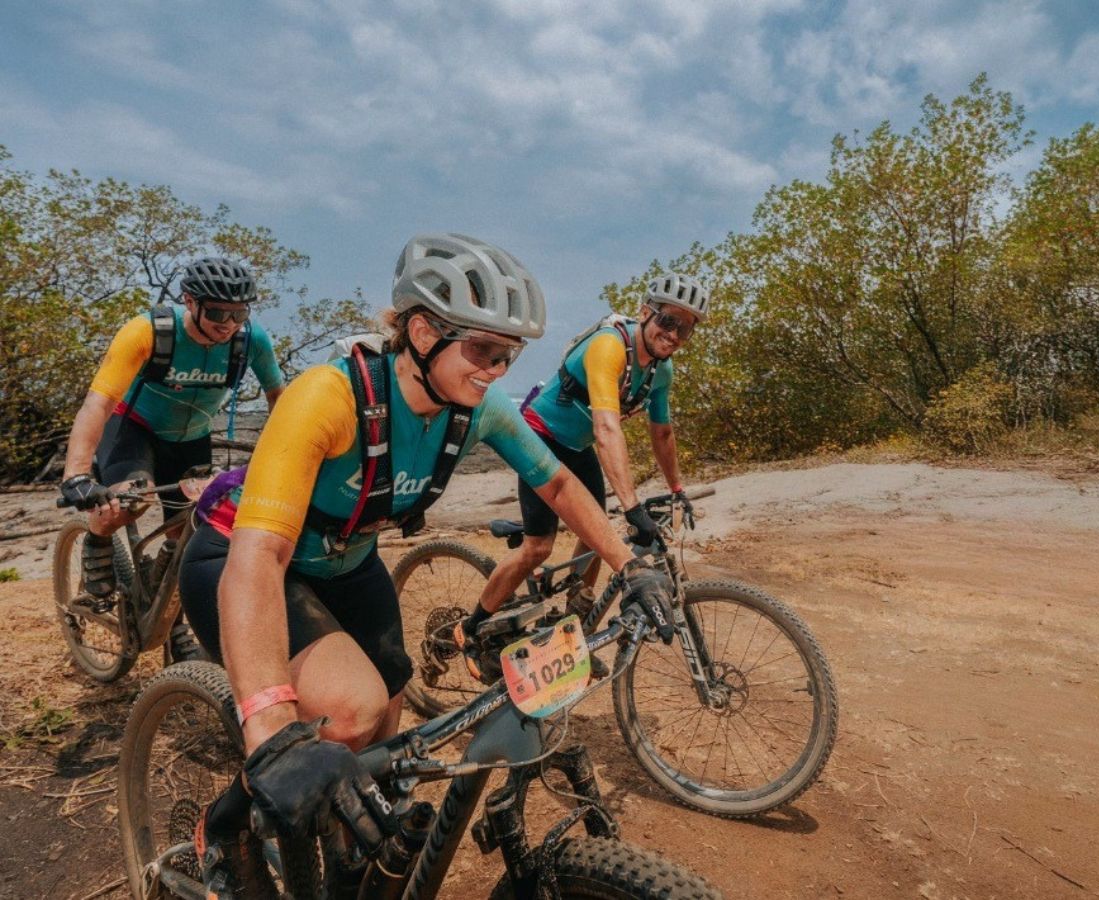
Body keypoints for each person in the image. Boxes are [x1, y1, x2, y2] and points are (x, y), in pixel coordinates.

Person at [176, 233, 676, 898]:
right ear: (421, 331)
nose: (496, 370)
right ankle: (229, 823)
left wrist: (629, 565)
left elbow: (556, 484)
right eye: (482, 351)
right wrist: (270, 730)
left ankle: (340, 867)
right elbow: (260, 554)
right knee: (346, 715)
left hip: (347, 562)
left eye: (508, 355)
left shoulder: (478, 411)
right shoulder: (327, 396)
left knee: (386, 734)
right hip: (241, 556)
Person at [455, 271, 709, 673]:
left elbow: (662, 432)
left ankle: (570, 632)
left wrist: (677, 487)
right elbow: (607, 428)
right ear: (645, 312)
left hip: (576, 447)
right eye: (668, 321)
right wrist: (632, 506)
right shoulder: (609, 346)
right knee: (538, 548)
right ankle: (470, 630)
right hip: (537, 436)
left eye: (686, 329)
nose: (675, 334)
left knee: (596, 533)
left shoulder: (662, 372)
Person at [58, 257, 285, 661]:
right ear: (190, 301)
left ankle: (173, 628)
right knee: (131, 501)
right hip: (133, 431)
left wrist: (288, 458)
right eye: (217, 312)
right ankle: (96, 543)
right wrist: (76, 473)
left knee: (191, 535)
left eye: (239, 313)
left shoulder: (252, 340)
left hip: (190, 440)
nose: (228, 324)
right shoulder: (146, 331)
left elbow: (279, 401)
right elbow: (99, 402)